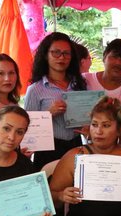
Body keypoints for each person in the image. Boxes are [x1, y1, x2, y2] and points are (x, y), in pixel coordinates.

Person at [24, 32, 88, 169]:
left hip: (76, 144)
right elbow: (27, 126)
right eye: (56, 52)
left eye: (66, 53)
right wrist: (48, 113)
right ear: (46, 55)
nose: (61, 58)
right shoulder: (35, 89)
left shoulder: (80, 85)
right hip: (48, 149)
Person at [83, 39, 121, 142]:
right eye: (114, 57)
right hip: (88, 148)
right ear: (104, 57)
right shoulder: (84, 81)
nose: (118, 63)